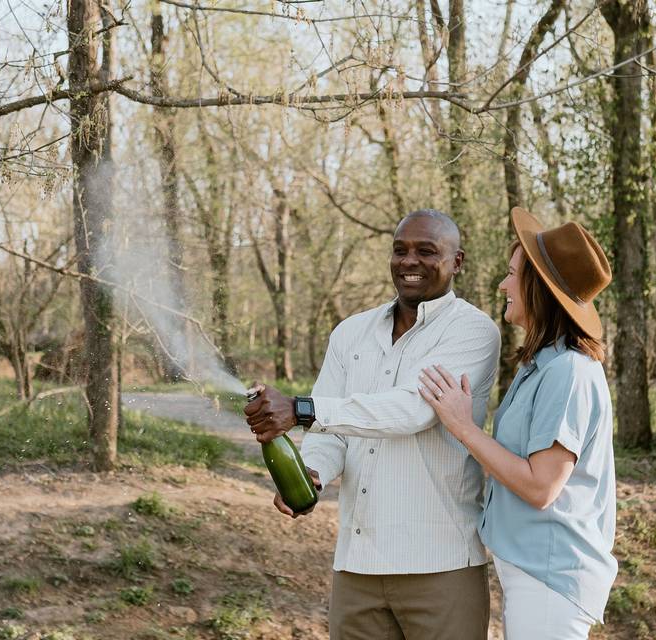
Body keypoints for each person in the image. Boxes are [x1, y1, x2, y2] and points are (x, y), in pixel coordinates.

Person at [244, 209, 501, 640]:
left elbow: (412, 411)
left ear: (457, 261)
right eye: (399, 250)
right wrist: (313, 474)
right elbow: (332, 431)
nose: (409, 261)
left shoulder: (473, 332)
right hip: (357, 565)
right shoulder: (351, 333)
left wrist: (302, 409)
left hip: (440, 565)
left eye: (426, 251)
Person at [418, 206, 617, 640]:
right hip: (533, 569)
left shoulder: (569, 371)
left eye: (512, 274)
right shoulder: (542, 366)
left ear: (539, 287)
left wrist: (463, 426)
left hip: (550, 574)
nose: (503, 284)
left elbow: (540, 487)